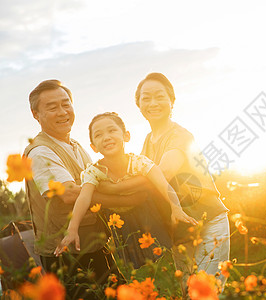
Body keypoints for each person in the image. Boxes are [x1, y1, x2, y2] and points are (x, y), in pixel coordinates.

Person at [23, 80, 143, 299]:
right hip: (66, 255)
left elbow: (95, 182)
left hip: (94, 245)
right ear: (35, 114)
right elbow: (69, 193)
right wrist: (127, 197)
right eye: (52, 107)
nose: (62, 112)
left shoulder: (77, 146)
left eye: (66, 104)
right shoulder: (39, 153)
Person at [54, 112, 197, 268]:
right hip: (120, 221)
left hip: (148, 213)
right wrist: (72, 228)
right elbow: (84, 198)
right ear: (93, 147)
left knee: (162, 256)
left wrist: (176, 208)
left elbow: (163, 183)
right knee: (134, 264)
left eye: (112, 130)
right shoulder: (94, 171)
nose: (106, 137)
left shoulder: (139, 162)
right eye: (99, 134)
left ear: (126, 136)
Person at [136, 73, 230, 289]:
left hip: (208, 221)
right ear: (139, 104)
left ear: (172, 101)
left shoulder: (180, 135)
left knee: (208, 291)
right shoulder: (148, 140)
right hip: (181, 229)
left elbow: (163, 172)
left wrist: (112, 191)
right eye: (146, 98)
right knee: (188, 291)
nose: (153, 103)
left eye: (159, 96)